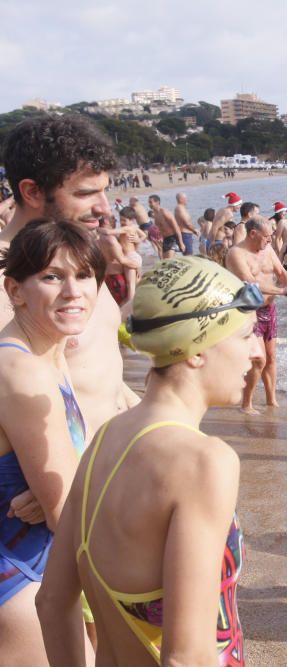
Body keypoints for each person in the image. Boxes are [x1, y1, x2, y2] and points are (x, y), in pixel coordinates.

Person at [37, 256, 262, 666]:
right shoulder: (204, 461)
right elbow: (186, 657)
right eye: (246, 334)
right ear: (195, 351)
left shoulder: (106, 437)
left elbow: (52, 600)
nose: (257, 351)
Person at [0, 220, 103, 665]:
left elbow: (63, 492)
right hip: (17, 578)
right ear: (15, 290)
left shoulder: (45, 352)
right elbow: (68, 516)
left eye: (84, 275)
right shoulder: (24, 372)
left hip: (35, 566)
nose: (73, 291)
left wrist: (56, 493)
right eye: (52, 276)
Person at [0, 113, 139, 440]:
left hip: (112, 471)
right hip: (67, 481)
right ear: (32, 192)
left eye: (105, 191)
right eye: (85, 193)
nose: (104, 207)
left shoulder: (76, 258)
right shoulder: (9, 277)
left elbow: (99, 368)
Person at [225, 218, 287, 414]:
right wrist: (281, 291)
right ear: (252, 234)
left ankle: (271, 400)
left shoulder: (268, 250)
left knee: (272, 357)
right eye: (267, 236)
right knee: (259, 360)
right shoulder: (236, 253)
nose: (270, 239)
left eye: (271, 235)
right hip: (248, 311)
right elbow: (251, 282)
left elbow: (281, 272)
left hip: (269, 309)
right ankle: (246, 404)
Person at [174, 192, 197, 256]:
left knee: (188, 254)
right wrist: (195, 230)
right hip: (185, 235)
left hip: (186, 234)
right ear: (181, 199)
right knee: (188, 255)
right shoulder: (180, 208)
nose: (187, 200)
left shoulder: (180, 208)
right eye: (185, 198)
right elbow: (187, 223)